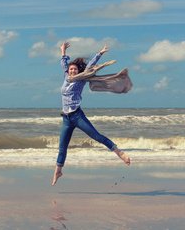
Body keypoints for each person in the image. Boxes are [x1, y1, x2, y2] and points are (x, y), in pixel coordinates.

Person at [52, 41, 130, 186]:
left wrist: (99, 53)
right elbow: (64, 64)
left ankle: (119, 153)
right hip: (66, 119)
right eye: (71, 69)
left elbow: (89, 67)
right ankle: (58, 171)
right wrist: (63, 51)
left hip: (77, 116)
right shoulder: (66, 78)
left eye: (75, 69)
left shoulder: (81, 80)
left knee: (96, 136)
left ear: (78, 71)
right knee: (62, 147)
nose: (73, 71)